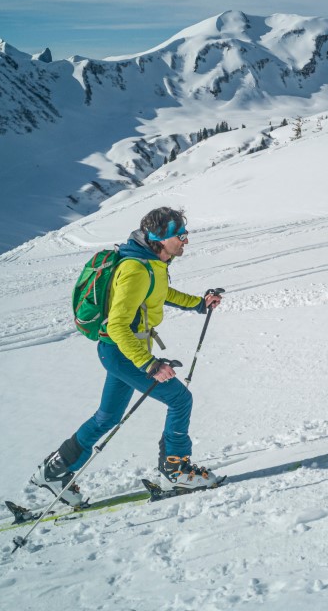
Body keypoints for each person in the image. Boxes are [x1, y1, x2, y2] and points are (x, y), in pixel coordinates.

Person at [30, 206, 223, 506]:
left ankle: (55, 470)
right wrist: (150, 364)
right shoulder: (135, 269)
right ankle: (176, 470)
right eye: (180, 236)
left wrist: (199, 304)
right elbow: (117, 325)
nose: (186, 241)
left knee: (107, 417)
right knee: (180, 399)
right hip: (120, 352)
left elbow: (162, 294)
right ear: (160, 238)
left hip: (120, 352)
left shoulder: (154, 263)